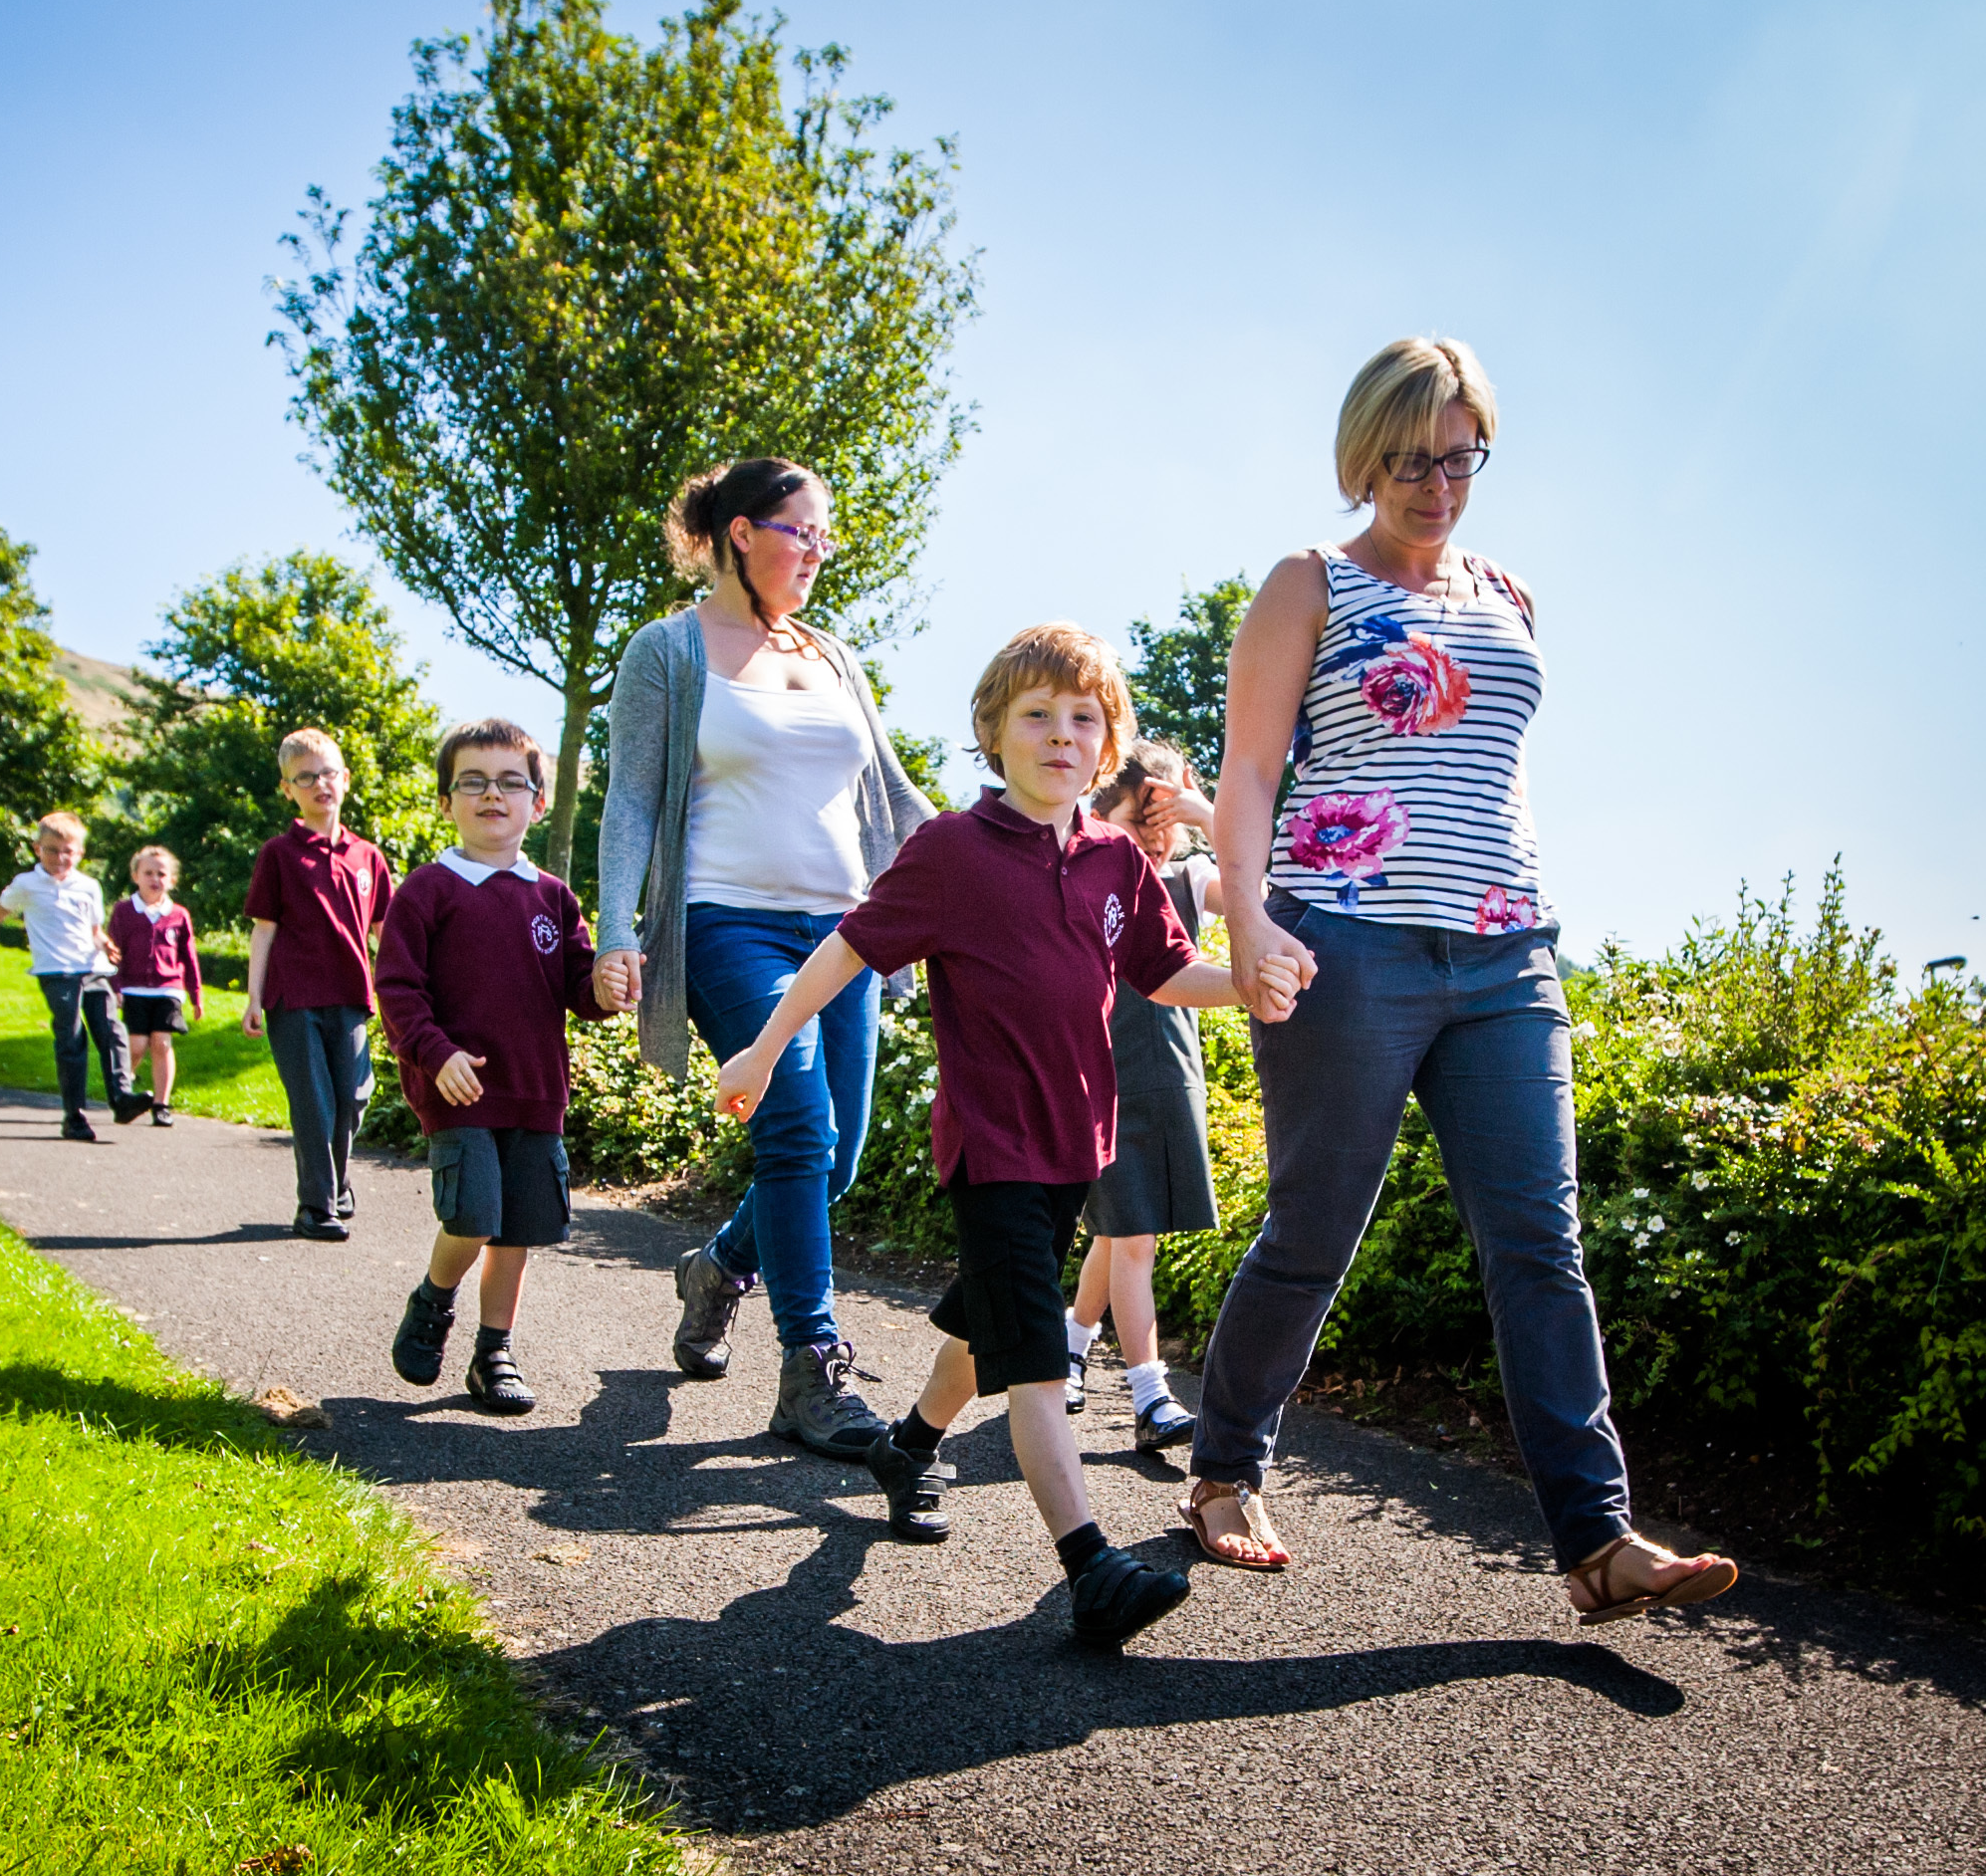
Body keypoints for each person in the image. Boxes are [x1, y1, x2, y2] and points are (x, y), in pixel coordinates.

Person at [1193, 335, 1739, 1625]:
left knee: (1539, 1243)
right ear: (1360, 458)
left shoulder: (1508, 594)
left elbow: (1495, 768)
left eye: (1459, 457)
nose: (1436, 483)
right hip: (1347, 941)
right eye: (1407, 460)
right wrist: (1252, 922)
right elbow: (1251, 772)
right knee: (1316, 1227)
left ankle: (1596, 1541)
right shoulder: (1305, 583)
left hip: (1504, 952)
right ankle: (1223, 1470)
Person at [714, 623, 1302, 1647]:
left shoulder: (1117, 861)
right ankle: (1091, 1569)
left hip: (1078, 1144)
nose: (1060, 734)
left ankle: (907, 1445)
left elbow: (1164, 977)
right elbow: (845, 952)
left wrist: (1248, 983)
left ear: (1108, 744)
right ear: (993, 732)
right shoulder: (949, 849)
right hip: (988, 1147)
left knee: (988, 1319)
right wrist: (763, 1050)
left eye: (1083, 718)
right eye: (1036, 715)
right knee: (1033, 1358)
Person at [595, 457, 936, 1462]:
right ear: (740, 533)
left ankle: (716, 1271)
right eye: (801, 532)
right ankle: (809, 1366)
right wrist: (618, 933)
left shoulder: (832, 655)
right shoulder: (668, 650)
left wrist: (1014, 845)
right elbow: (629, 801)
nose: (817, 553)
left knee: (838, 1157)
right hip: (725, 923)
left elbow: (894, 797)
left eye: (825, 537)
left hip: (844, 935)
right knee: (797, 1128)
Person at [380, 720, 635, 1414]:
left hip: (535, 1091)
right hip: (459, 1090)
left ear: (539, 800)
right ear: (446, 801)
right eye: (473, 781)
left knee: (517, 1229)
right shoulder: (428, 890)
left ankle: (494, 1353)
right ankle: (433, 1301)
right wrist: (435, 1054)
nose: (492, 794)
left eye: (510, 782)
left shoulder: (552, 896)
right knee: (473, 1214)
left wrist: (605, 987)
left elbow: (577, 985)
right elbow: (398, 992)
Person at [1061, 740, 1221, 1459]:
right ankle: (1150, 1394)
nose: (1155, 835)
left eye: (1165, 818)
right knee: (1136, 1236)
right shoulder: (1087, 875)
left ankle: (1069, 1346)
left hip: (1174, 1068)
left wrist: (1203, 812)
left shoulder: (1189, 877)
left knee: (1124, 1227)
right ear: (1104, 815)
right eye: (1141, 817)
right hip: (1104, 1071)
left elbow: (1277, 883)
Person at [244, 728, 396, 1242]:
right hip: (293, 998)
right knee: (313, 1102)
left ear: (345, 779)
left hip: (351, 995)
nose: (319, 785)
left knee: (354, 1097)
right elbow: (263, 930)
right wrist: (253, 999)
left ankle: (336, 1181)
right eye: (305, 778)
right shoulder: (278, 854)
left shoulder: (366, 857)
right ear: (288, 789)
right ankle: (315, 1207)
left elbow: (385, 931)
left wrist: (406, 991)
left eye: (327, 773)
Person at [0, 813, 153, 1143]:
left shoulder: (88, 886)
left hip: (90, 967)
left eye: (67, 851)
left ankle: (121, 1098)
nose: (59, 858)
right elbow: (2, 908)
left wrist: (104, 943)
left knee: (111, 1029)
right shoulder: (27, 885)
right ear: (36, 849)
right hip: (55, 971)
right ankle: (74, 1117)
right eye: (51, 850)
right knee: (72, 1038)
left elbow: (92, 929)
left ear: (79, 854)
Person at [109, 843, 201, 1127]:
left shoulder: (178, 914)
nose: (155, 879)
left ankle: (161, 1104)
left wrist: (195, 993)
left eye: (161, 873)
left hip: (168, 987)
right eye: (148, 872)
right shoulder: (124, 911)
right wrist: (115, 986)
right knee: (136, 1045)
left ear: (172, 879)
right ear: (135, 876)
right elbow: (113, 951)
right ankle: (124, 1091)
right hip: (134, 988)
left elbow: (189, 954)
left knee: (161, 1043)